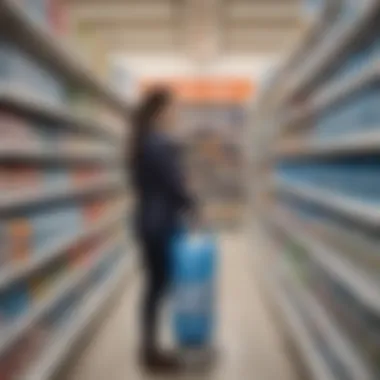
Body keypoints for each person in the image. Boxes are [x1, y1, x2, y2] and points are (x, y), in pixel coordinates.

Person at [129, 88, 196, 372]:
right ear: (160, 111)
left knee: (153, 287)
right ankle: (151, 353)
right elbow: (174, 185)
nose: (175, 114)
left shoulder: (143, 140)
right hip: (160, 224)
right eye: (172, 108)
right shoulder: (157, 142)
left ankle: (149, 348)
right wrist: (191, 201)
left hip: (148, 220)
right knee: (157, 287)